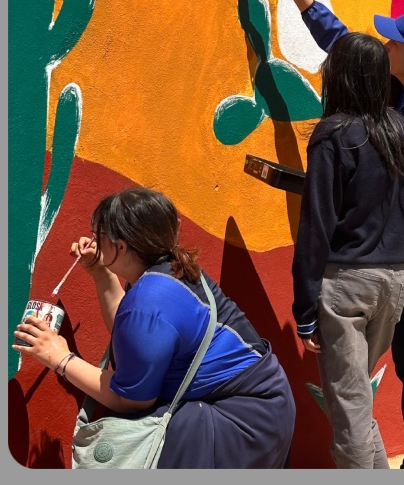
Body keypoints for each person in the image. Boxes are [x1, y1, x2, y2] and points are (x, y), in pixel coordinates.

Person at [270, 0, 404, 469]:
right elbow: (344, 46)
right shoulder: (395, 97)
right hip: (398, 250)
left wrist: (371, 205)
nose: (385, 47)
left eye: (395, 43)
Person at [15, 188, 295, 468]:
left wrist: (60, 358)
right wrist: (102, 272)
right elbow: (135, 342)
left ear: (121, 246)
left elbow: (131, 399)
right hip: (267, 407)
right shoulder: (167, 269)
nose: (92, 241)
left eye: (98, 235)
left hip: (243, 421)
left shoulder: (150, 299)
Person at [292, 32, 404, 468]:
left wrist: (305, 308)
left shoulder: (333, 135)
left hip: (346, 286)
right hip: (393, 284)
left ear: (339, 75)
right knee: (355, 403)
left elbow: (316, 226)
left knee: (348, 413)